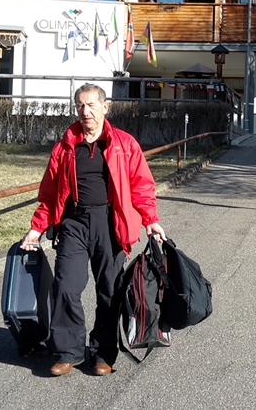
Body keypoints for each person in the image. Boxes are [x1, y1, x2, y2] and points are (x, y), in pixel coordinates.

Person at [21, 83, 166, 377]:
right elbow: (50, 195)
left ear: (105, 107)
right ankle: (68, 351)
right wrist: (37, 228)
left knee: (109, 292)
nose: (85, 112)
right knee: (66, 286)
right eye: (80, 106)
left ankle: (103, 352)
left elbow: (141, 186)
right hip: (73, 223)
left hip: (110, 223)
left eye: (90, 105)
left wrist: (150, 220)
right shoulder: (65, 147)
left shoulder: (124, 144)